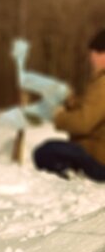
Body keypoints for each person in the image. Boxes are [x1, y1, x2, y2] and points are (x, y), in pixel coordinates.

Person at [33, 29, 105, 182]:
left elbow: (84, 123)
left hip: (100, 162)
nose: (91, 58)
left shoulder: (103, 84)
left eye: (96, 52)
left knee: (45, 152)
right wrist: (70, 100)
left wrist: (59, 116)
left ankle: (70, 182)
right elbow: (94, 108)